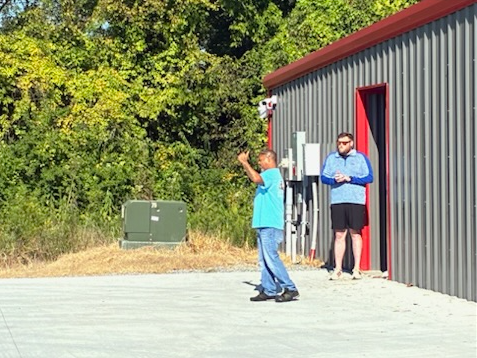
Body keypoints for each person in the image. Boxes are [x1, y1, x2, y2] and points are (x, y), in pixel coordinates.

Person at [238, 149, 299, 302]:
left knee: (271, 257)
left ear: (269, 159)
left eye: (260, 160)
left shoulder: (271, 174)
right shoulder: (271, 175)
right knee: (264, 259)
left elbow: (256, 179)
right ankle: (269, 288)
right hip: (263, 223)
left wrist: (245, 163)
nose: (259, 163)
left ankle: (290, 288)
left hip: (270, 223)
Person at [320, 132, 374, 280]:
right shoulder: (332, 158)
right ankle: (338, 268)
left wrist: (350, 178)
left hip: (356, 201)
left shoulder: (361, 158)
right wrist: (335, 180)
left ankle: (356, 268)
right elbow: (324, 177)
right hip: (338, 201)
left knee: (355, 233)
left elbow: (369, 177)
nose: (341, 146)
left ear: (351, 143)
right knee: (339, 234)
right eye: (339, 143)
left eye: (344, 143)